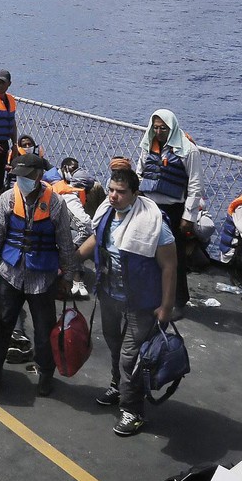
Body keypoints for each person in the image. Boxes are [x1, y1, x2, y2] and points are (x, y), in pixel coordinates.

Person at [77, 161, 177, 437]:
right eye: (110, 190)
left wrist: (166, 306)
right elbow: (95, 241)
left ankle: (133, 410)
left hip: (141, 301)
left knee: (130, 356)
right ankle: (117, 386)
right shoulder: (107, 214)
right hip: (110, 294)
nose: (112, 196)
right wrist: (72, 260)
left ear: (134, 193)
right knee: (113, 343)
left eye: (120, 192)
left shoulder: (155, 225)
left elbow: (170, 266)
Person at [0, 163, 81, 397]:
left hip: (42, 278)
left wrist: (68, 276)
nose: (22, 181)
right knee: (1, 326)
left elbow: (65, 243)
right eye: (19, 176)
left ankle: (45, 375)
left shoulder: (55, 203)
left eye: (27, 176)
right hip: (10, 274)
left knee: (44, 331)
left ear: (38, 176)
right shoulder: (8, 198)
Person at [136, 109, 202, 313]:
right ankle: (153, 295)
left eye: (163, 128)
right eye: (155, 128)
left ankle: (178, 301)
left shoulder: (188, 150)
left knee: (175, 258)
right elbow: (140, 173)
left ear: (171, 127)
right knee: (148, 252)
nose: (159, 132)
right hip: (149, 206)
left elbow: (195, 185)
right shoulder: (148, 146)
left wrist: (188, 217)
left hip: (173, 209)